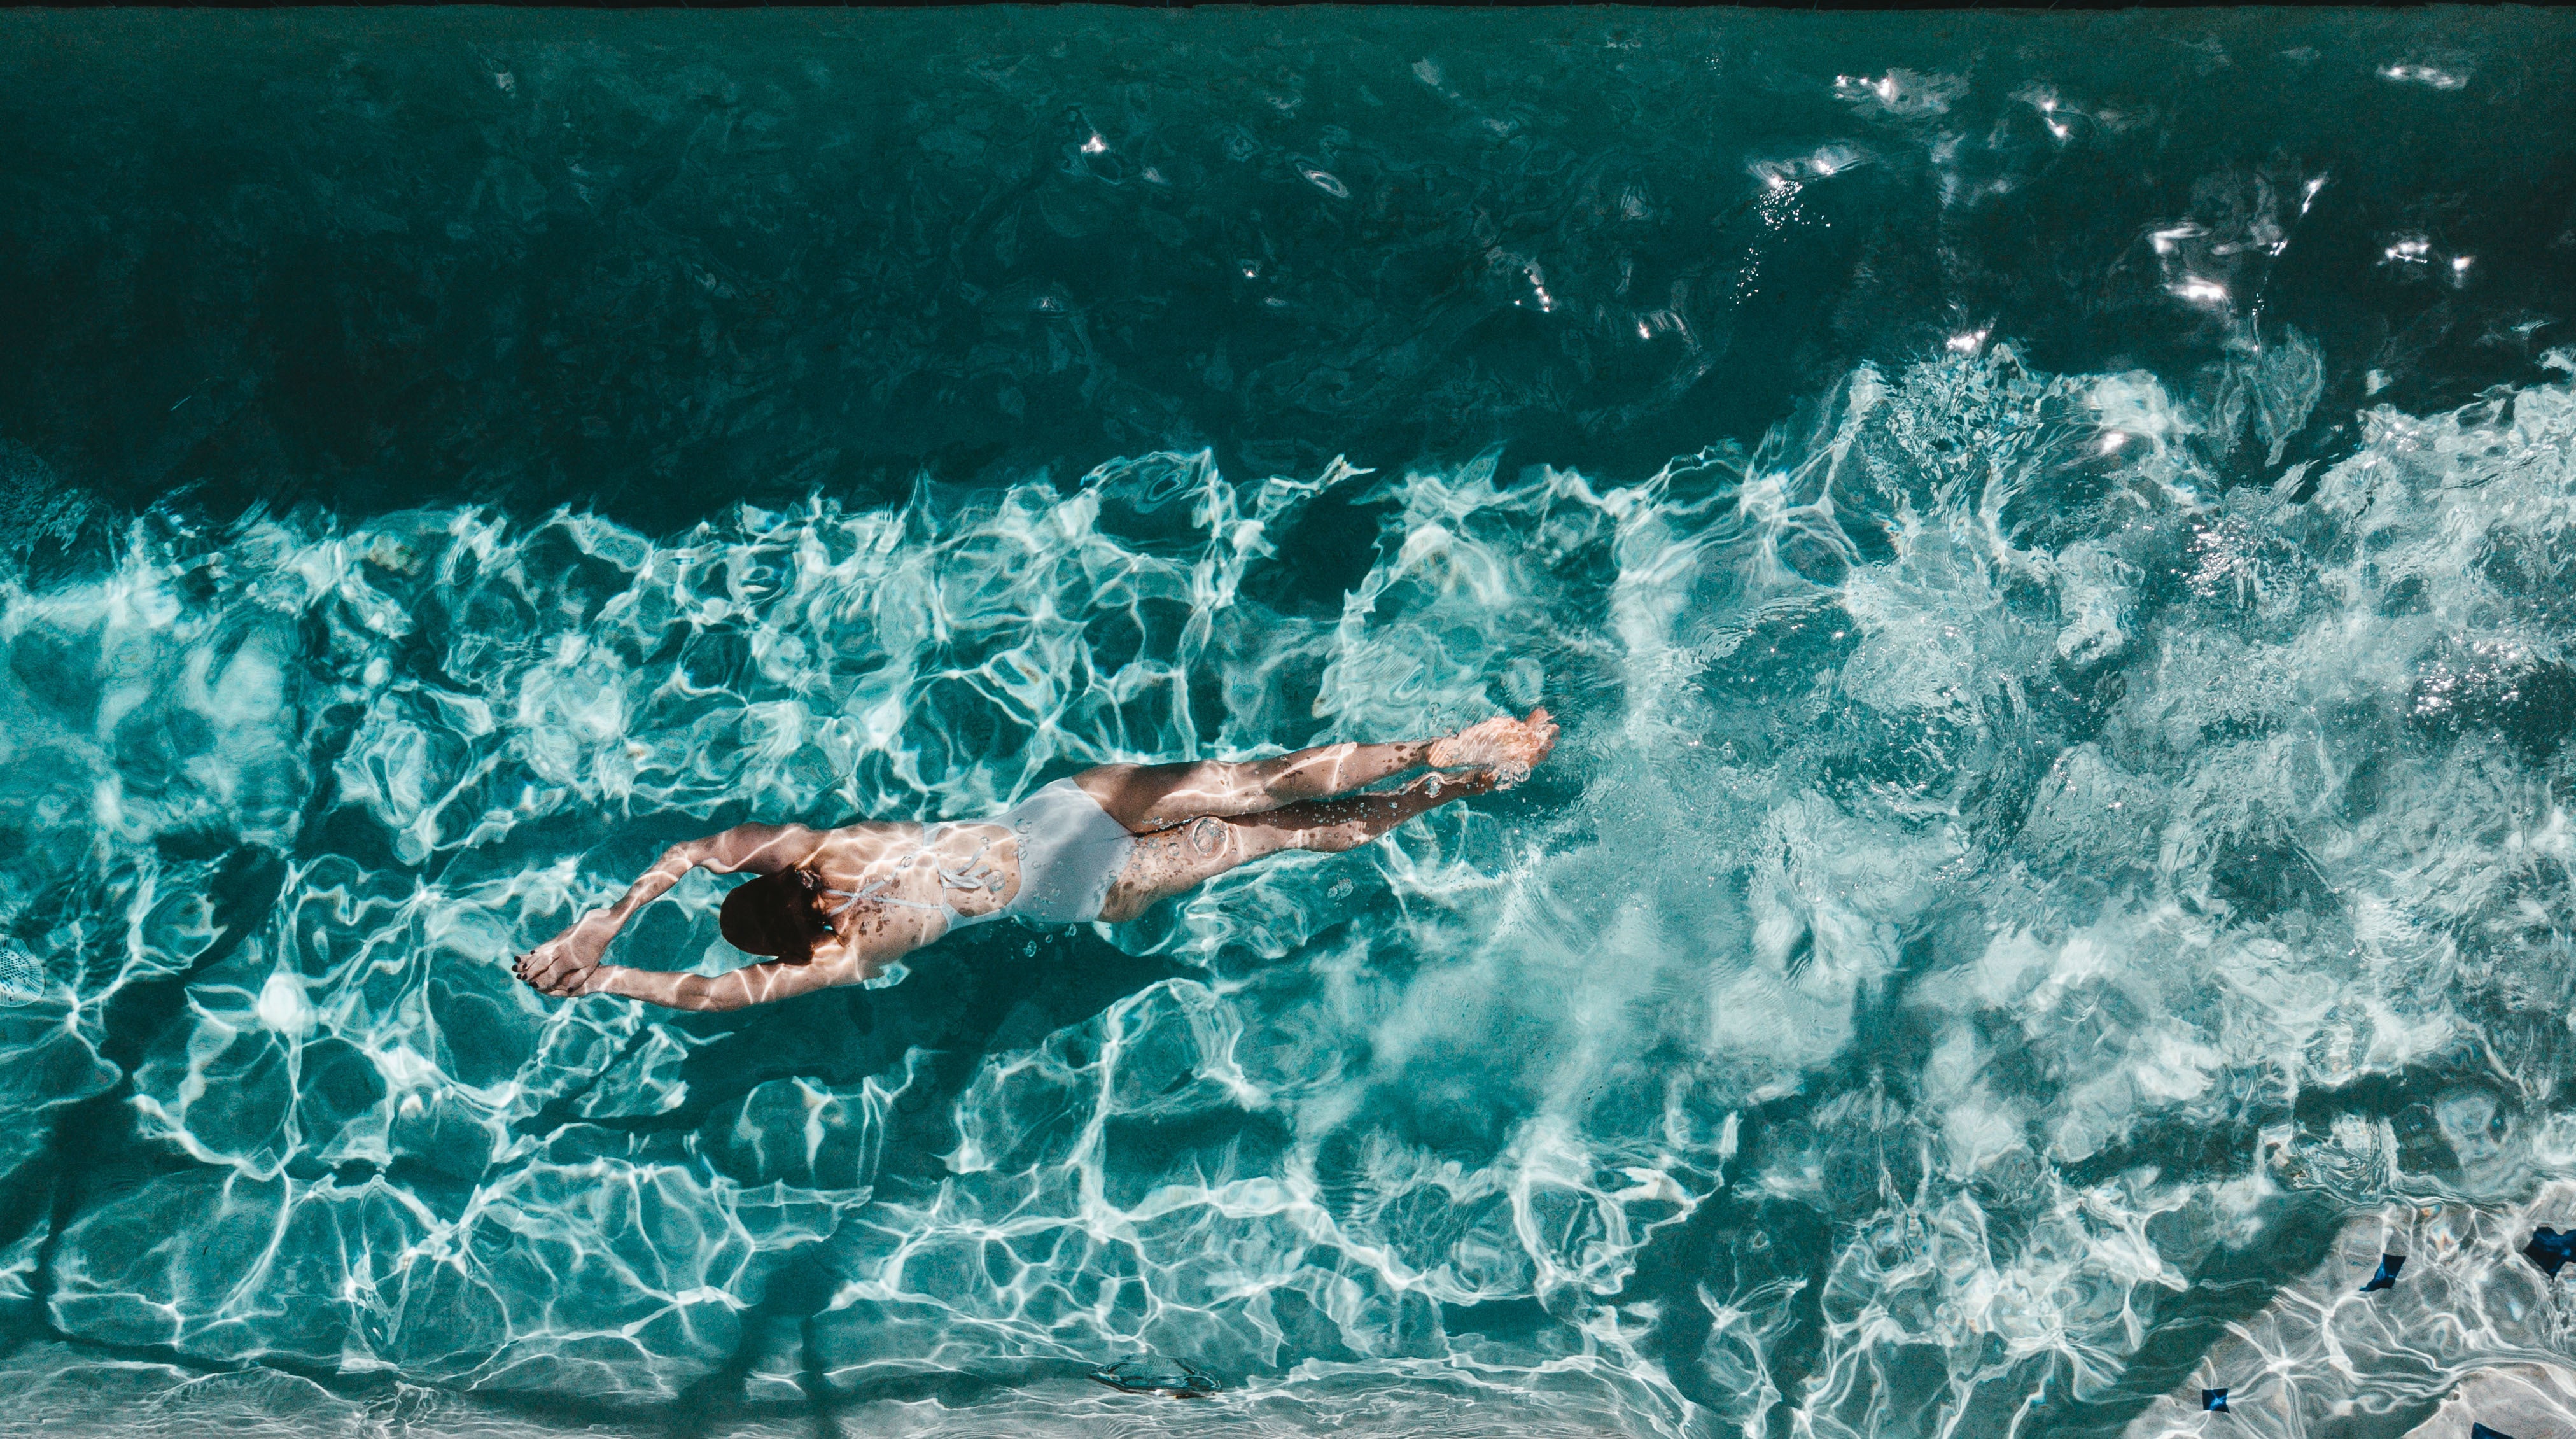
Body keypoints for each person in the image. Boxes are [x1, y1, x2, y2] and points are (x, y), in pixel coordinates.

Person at [512, 709, 1558, 1011]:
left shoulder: (835, 959)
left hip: (1077, 888)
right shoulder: (814, 847)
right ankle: (1451, 745)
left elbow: (706, 995)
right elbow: (691, 852)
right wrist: (605, 916)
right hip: (1054, 814)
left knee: (1272, 835)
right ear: (769, 883)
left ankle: (1453, 786)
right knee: (1265, 778)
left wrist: (604, 974)